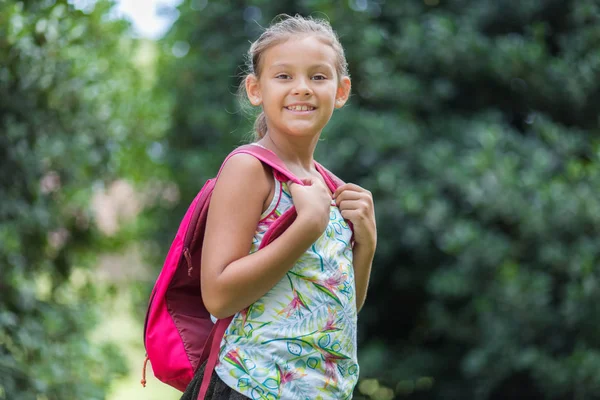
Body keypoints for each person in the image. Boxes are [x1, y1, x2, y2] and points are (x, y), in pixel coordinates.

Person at [181, 13, 377, 400]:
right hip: (249, 388)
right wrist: (307, 228)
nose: (302, 88)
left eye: (318, 77)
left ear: (341, 91)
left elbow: (336, 310)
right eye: (284, 76)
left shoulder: (329, 187)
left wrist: (366, 246)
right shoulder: (249, 169)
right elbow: (218, 297)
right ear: (256, 90)